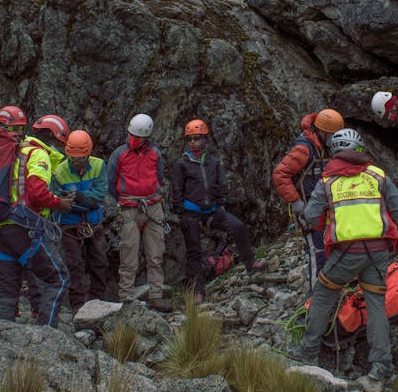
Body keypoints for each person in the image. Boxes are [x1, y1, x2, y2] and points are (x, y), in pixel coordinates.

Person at [290, 128, 398, 392]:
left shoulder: (327, 181)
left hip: (345, 254)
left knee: (322, 296)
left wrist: (323, 224)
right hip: (378, 251)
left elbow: (310, 216)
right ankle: (380, 366)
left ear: (334, 153)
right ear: (360, 149)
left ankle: (308, 355)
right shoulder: (378, 175)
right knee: (376, 303)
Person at [0, 114, 74, 327]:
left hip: (0, 226)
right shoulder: (38, 154)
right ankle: (45, 335)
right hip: (24, 227)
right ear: (55, 137)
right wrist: (59, 203)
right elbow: (37, 193)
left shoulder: (14, 150)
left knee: (7, 288)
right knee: (58, 277)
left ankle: (0, 337)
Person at [173, 119, 266, 303]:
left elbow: (222, 184)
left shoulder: (213, 162)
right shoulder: (182, 164)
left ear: (204, 139)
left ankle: (250, 262)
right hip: (191, 213)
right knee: (194, 251)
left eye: (196, 138)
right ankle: (198, 291)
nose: (193, 142)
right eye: (190, 139)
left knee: (238, 227)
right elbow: (176, 191)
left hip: (213, 211)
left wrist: (222, 204)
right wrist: (181, 213)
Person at [271, 108, 344, 294]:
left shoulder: (325, 147)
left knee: (331, 249)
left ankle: (331, 292)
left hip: (325, 209)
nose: (335, 138)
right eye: (333, 134)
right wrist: (296, 202)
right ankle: (315, 299)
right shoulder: (305, 149)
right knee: (317, 252)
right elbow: (280, 174)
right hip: (308, 211)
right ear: (324, 131)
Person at [107, 113, 170, 311]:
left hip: (151, 206)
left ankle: (155, 296)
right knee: (128, 256)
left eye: (138, 137)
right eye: (132, 135)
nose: (133, 139)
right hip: (129, 209)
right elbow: (110, 182)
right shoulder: (119, 154)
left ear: (147, 138)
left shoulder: (155, 154)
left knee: (155, 254)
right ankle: (126, 297)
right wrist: (124, 202)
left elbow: (159, 177)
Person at [50, 129, 110, 311]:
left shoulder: (99, 166)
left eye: (80, 158)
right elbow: (56, 197)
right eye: (73, 158)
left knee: (99, 260)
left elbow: (100, 194)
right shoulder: (59, 171)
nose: (76, 162)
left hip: (92, 221)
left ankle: (98, 300)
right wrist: (69, 199)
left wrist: (78, 197)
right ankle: (77, 305)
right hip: (69, 224)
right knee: (74, 263)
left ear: (88, 154)